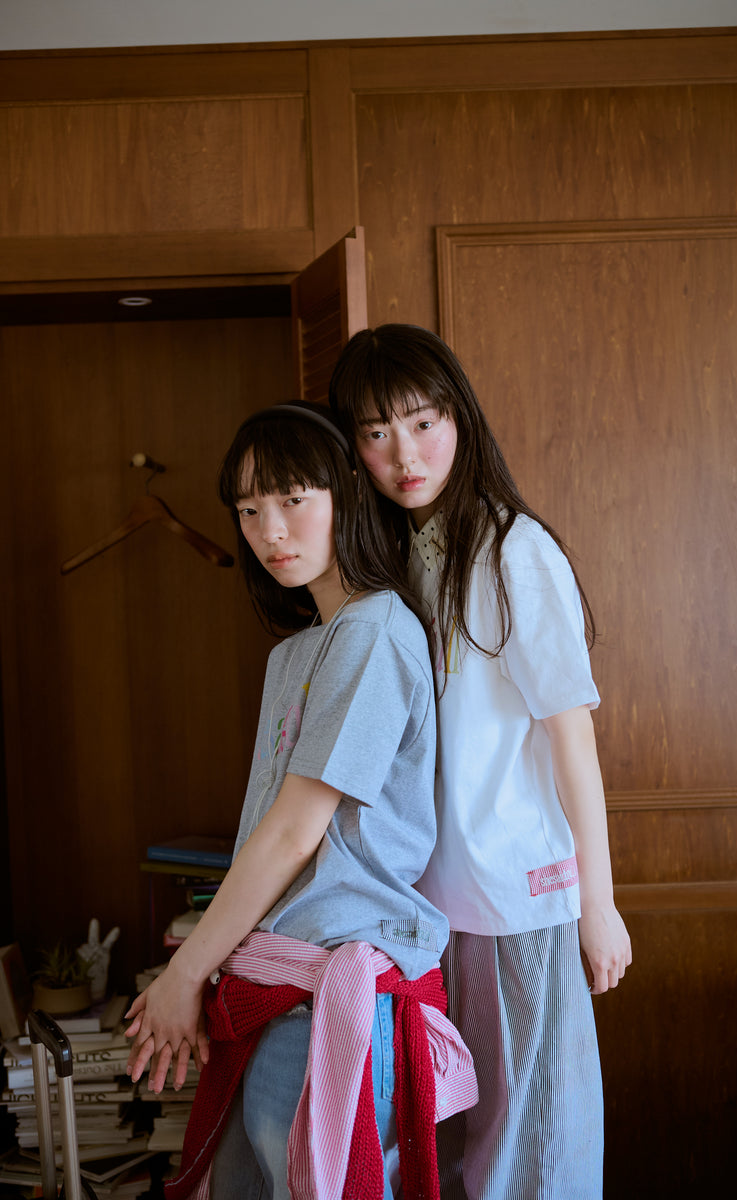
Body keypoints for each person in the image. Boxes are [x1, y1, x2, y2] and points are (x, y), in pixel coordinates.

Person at [124, 402, 477, 1200]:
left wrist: (185, 973)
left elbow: (292, 834)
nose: (269, 531)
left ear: (346, 491)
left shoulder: (375, 632)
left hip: (330, 1002)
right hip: (274, 993)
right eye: (249, 510)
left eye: (291, 499)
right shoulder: (297, 653)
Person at [329, 325, 632, 1200]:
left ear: (459, 418)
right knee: (457, 1152)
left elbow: (573, 739)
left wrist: (599, 905)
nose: (405, 455)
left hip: (518, 900)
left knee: (532, 1150)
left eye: (423, 424)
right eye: (377, 433)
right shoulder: (398, 559)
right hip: (429, 909)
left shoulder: (514, 550)